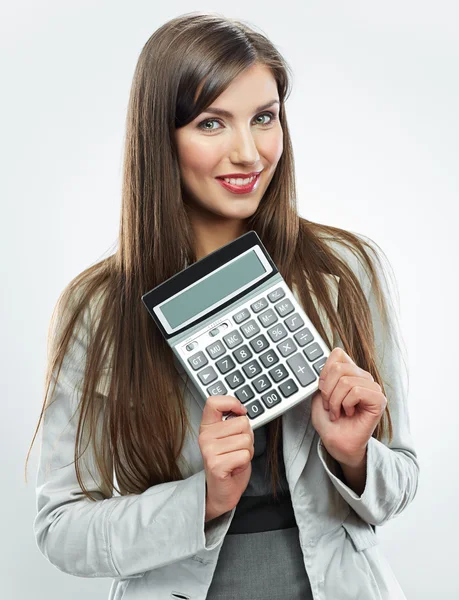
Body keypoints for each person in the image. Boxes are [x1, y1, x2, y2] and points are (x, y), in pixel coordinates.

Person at [26, 11, 419, 600]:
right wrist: (202, 498)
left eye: (264, 118)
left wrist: (355, 456)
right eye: (212, 123)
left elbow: (403, 480)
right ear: (162, 138)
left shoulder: (346, 270)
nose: (249, 152)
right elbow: (60, 528)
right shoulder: (98, 311)